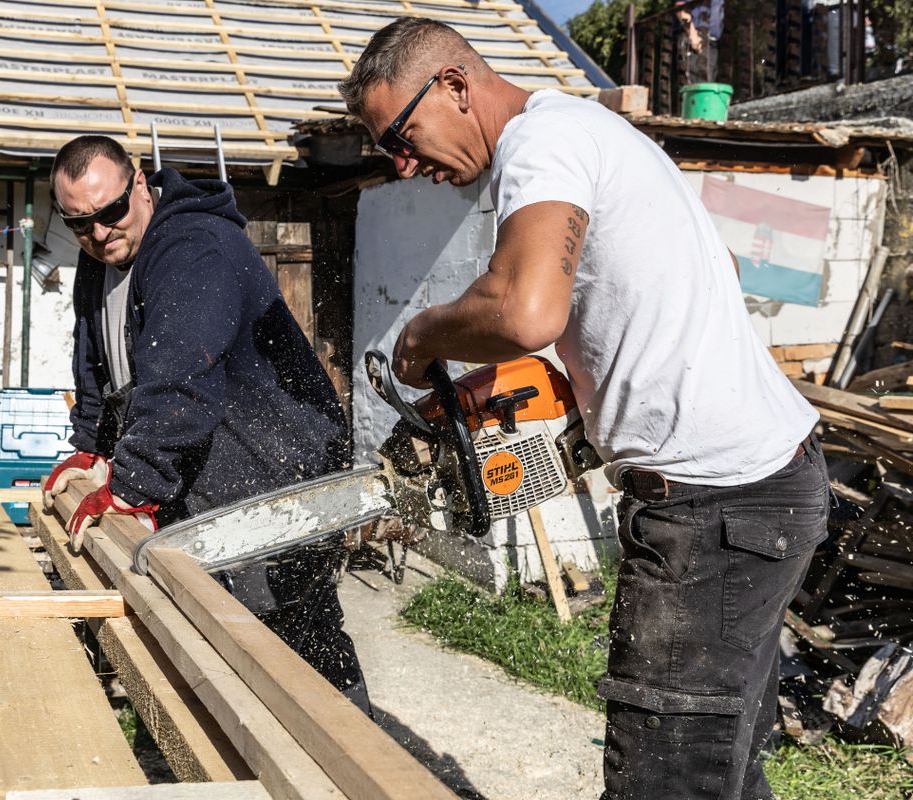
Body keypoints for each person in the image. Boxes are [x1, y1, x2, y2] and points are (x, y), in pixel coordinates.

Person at [340, 17, 828, 799]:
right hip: (765, 494)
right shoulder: (594, 131)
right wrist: (577, 388)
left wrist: (424, 334)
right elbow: (707, 277)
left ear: (456, 86)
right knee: (721, 771)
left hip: (715, 512)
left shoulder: (542, 143)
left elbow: (526, 310)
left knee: (662, 781)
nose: (402, 164)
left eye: (401, 135)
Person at [41, 135, 370, 712]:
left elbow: (179, 377)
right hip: (209, 469)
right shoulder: (101, 256)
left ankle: (364, 767)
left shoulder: (195, 247)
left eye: (110, 212)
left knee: (295, 645)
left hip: (276, 471)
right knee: (218, 643)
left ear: (140, 183)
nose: (97, 233)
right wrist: (92, 446)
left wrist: (133, 484)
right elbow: (93, 356)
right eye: (79, 223)